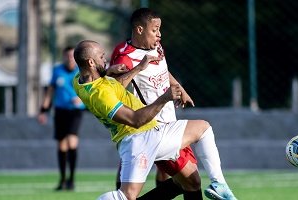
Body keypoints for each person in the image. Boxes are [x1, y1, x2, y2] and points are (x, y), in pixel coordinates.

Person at [72, 40, 237, 200]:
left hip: (133, 141)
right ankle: (219, 184)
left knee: (188, 181)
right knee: (203, 128)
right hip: (144, 135)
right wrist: (164, 98)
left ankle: (219, 184)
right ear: (91, 62)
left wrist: (132, 69)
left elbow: (111, 87)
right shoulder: (101, 94)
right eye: (101, 57)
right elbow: (135, 120)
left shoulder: (79, 81)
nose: (105, 59)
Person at [108, 8, 203, 200]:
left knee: (190, 182)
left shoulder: (156, 47)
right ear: (139, 29)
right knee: (191, 181)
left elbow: (163, 70)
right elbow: (115, 89)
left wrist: (179, 88)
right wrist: (137, 68)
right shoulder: (125, 56)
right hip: (155, 127)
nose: (159, 34)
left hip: (171, 122)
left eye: (160, 29)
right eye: (155, 29)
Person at [38, 46, 85, 191]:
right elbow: (50, 91)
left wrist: (81, 99)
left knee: (72, 142)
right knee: (62, 145)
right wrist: (43, 110)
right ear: (63, 56)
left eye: (72, 56)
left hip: (75, 112)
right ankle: (63, 180)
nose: (70, 58)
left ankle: (71, 180)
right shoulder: (57, 71)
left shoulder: (81, 71)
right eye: (67, 56)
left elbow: (91, 89)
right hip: (60, 111)